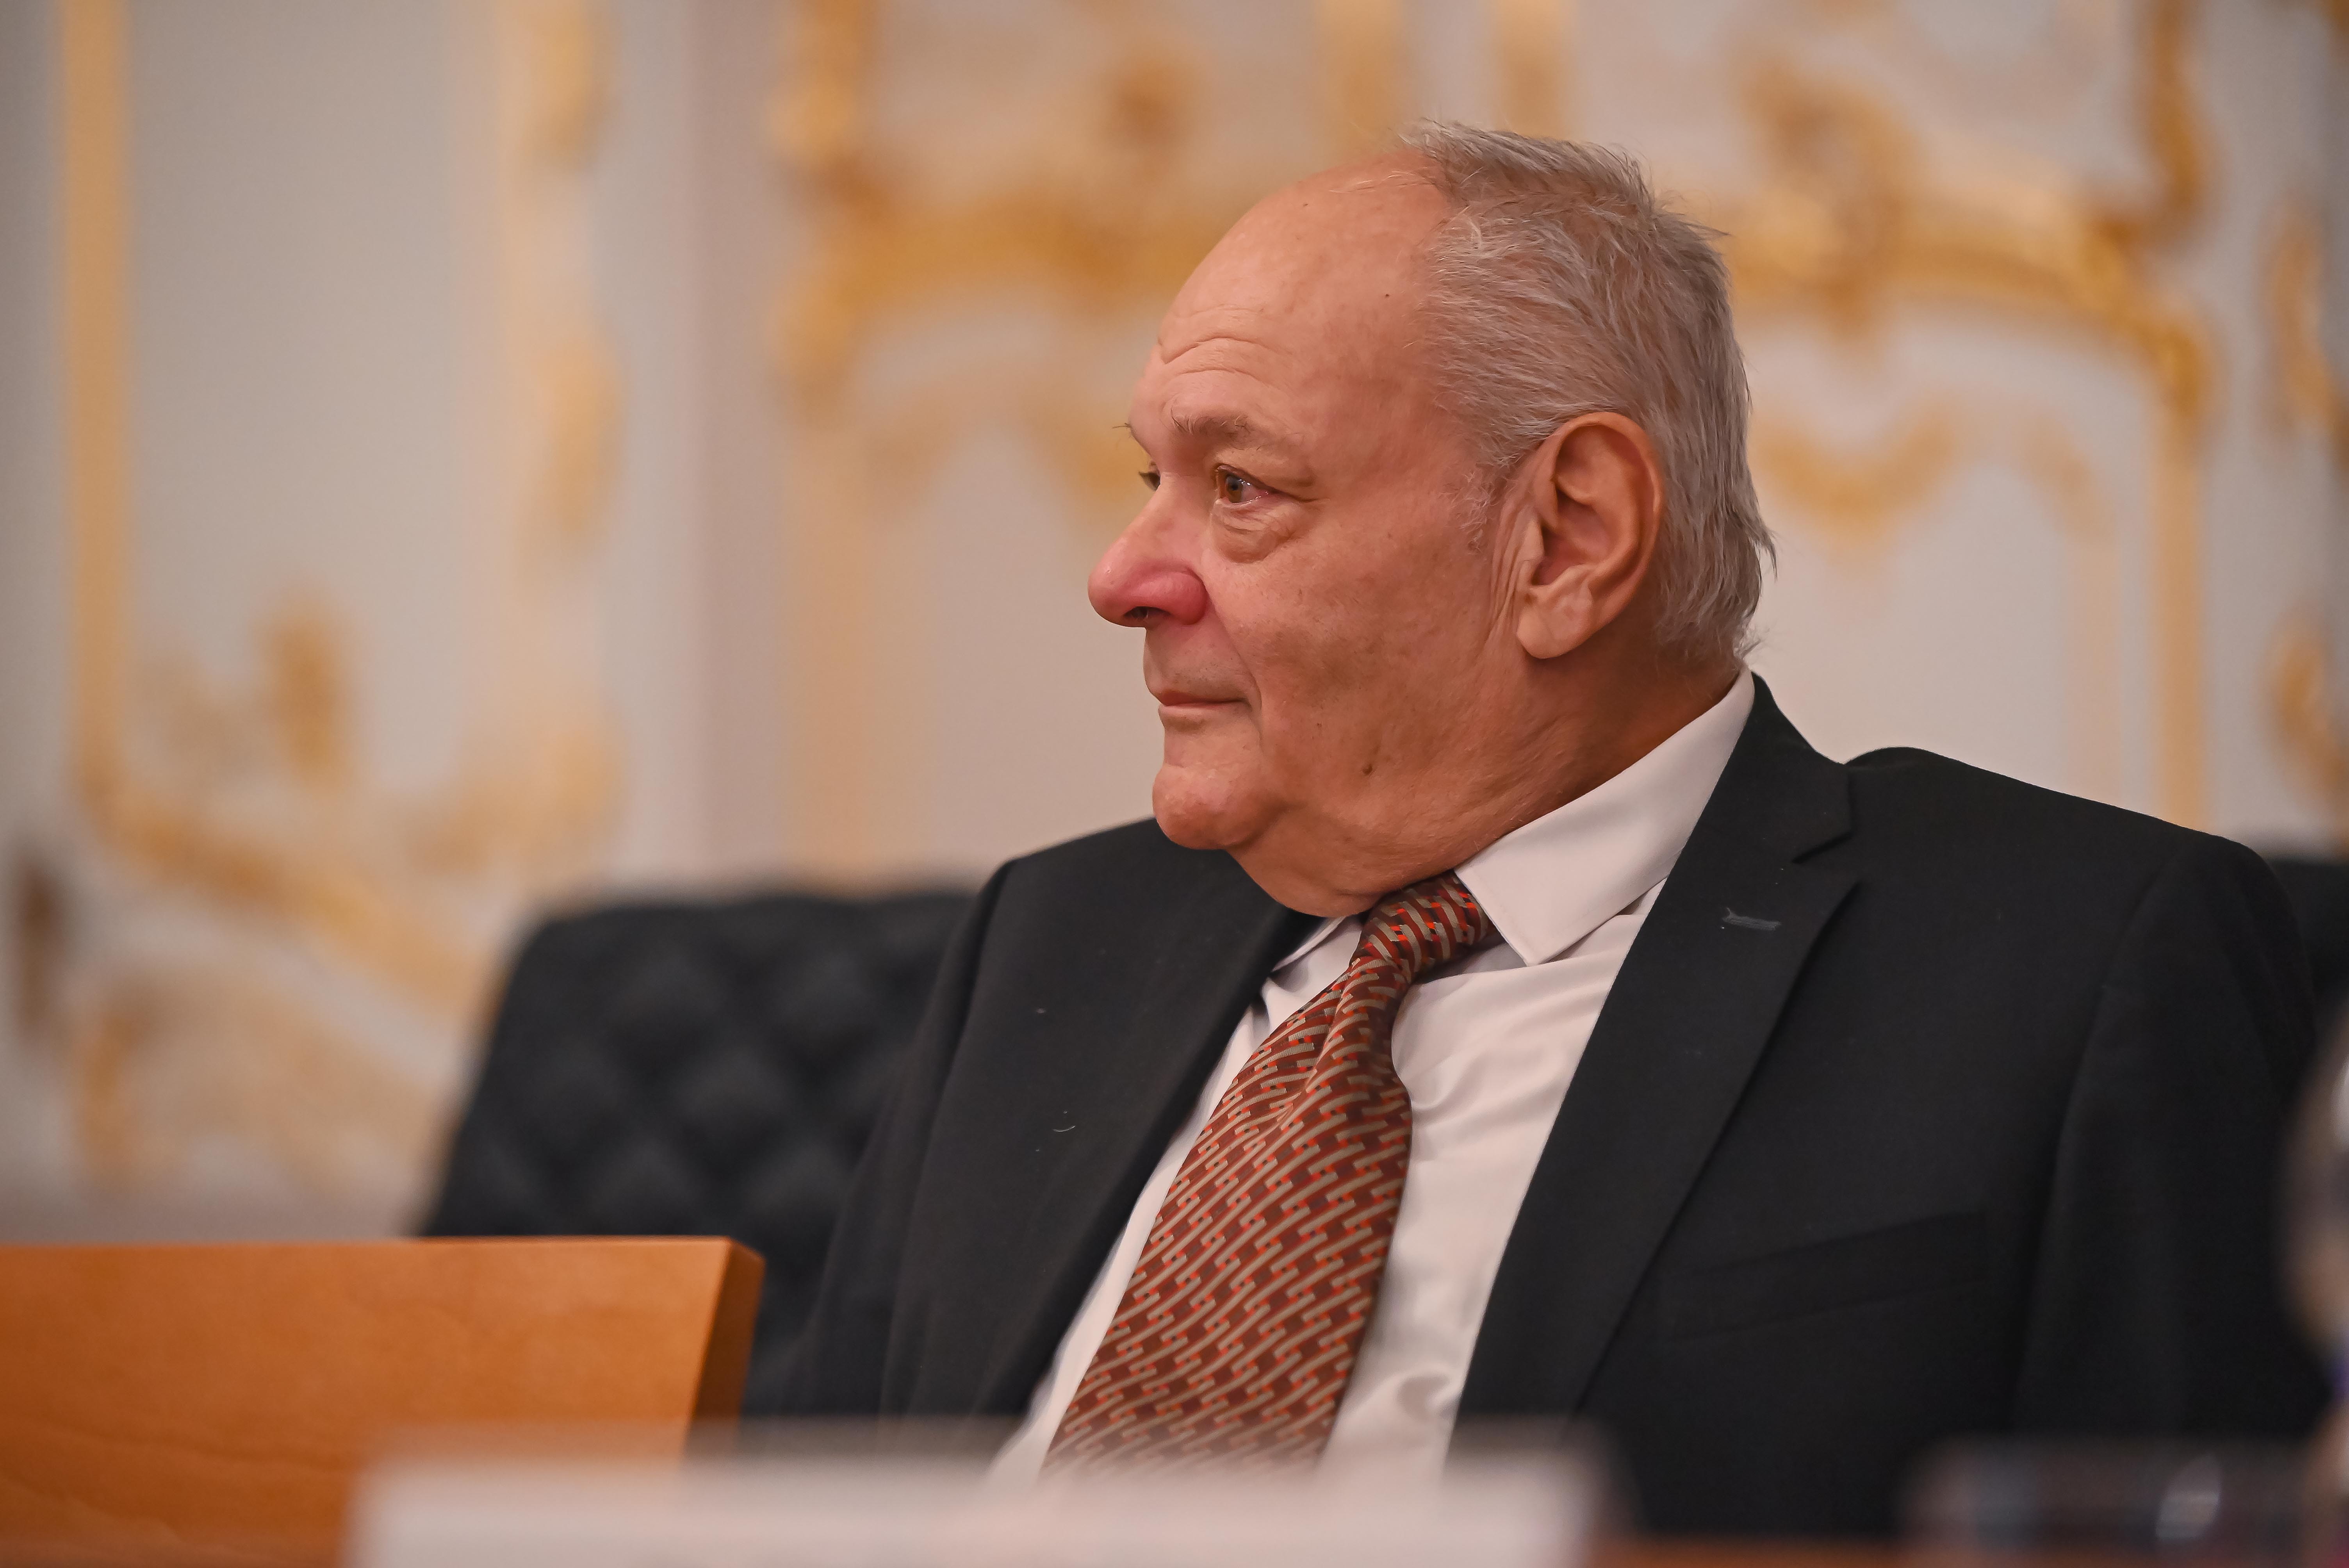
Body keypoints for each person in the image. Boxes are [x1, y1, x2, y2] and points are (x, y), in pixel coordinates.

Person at [778, 125, 2323, 1535]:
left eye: (1239, 486)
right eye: (1149, 477)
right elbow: (791, 1516)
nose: (1122, 576)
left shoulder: (2070, 965)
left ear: (1568, 537)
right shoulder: (1048, 944)